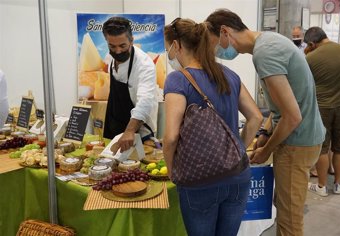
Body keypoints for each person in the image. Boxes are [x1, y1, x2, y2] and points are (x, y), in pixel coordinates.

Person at [206, 9, 325, 236]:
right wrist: (264, 133)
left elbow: (292, 116)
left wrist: (266, 150)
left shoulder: (265, 53)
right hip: (303, 138)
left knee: (290, 220)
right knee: (285, 208)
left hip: (297, 143)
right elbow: (282, 107)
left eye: (214, 45)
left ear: (224, 32)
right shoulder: (271, 41)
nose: (217, 52)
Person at [162, 17, 263, 236]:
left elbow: (170, 137)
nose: (168, 55)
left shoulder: (177, 80)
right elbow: (255, 117)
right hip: (238, 177)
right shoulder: (229, 75)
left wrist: (171, 169)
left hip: (199, 181)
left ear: (177, 45)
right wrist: (236, 150)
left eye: (167, 49)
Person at [304, 27, 340, 197]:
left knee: (322, 148)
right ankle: (339, 183)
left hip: (322, 108)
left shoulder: (310, 58)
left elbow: (305, 84)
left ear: (312, 43)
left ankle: (321, 186)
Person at [102, 17, 158, 152]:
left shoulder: (144, 65)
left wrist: (129, 130)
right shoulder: (110, 58)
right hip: (114, 125)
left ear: (131, 40)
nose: (117, 51)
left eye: (122, 46)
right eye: (112, 46)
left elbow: (145, 101)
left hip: (138, 131)